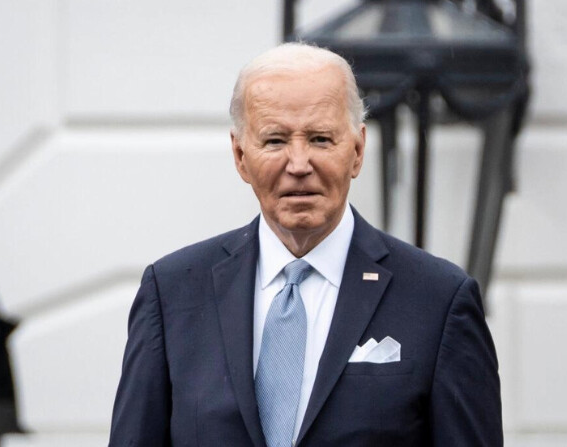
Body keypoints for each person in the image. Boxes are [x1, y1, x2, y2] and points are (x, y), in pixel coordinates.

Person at [109, 43, 501, 447]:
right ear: (241, 155)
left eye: (319, 139)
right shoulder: (172, 292)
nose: (298, 164)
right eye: (275, 141)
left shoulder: (438, 300)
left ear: (357, 150)